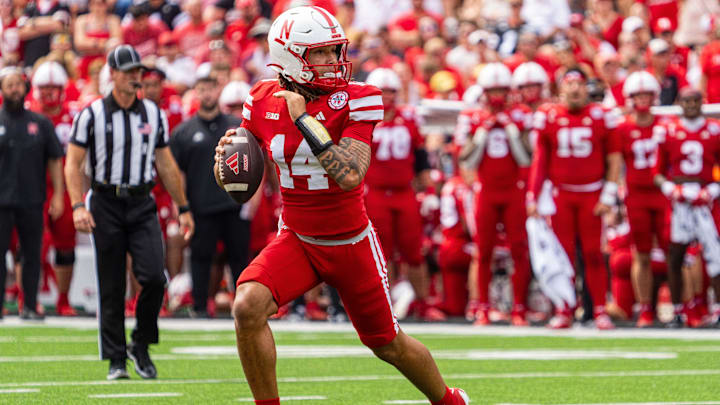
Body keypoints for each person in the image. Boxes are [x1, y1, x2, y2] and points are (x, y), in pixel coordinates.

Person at [214, 7, 468, 405]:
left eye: (335, 50)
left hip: (350, 242)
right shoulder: (261, 98)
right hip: (297, 238)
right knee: (247, 305)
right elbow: (241, 185)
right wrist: (226, 163)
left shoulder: (358, 98)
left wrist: (305, 122)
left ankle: (451, 400)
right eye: (321, 53)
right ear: (289, 57)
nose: (334, 61)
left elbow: (350, 174)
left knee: (388, 344)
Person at [65, 45, 194, 380]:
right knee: (110, 282)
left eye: (139, 71)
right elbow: (73, 163)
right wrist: (78, 205)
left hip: (141, 201)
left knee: (153, 276)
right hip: (106, 200)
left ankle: (141, 343)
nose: (137, 76)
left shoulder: (153, 113)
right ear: (113, 74)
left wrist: (183, 207)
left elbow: (165, 163)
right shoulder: (91, 113)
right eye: (130, 71)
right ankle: (116, 359)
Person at [526, 68, 622, 330]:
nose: (576, 89)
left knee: (593, 254)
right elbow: (540, 159)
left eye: (580, 84)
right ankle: (564, 308)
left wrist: (609, 193)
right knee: (562, 256)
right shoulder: (549, 115)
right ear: (561, 89)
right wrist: (533, 196)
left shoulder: (602, 116)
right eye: (570, 84)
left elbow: (614, 158)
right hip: (561, 195)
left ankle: (600, 309)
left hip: (592, 193)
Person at [363, 67, 443, 321]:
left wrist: (428, 190)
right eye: (382, 92)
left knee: (414, 251)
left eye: (391, 92)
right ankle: (382, 306)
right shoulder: (363, 119)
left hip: (404, 192)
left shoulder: (409, 117)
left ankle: (422, 304)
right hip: (375, 192)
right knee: (380, 254)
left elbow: (421, 158)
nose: (387, 97)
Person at [459, 63, 532, 326]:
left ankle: (519, 307)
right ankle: (482, 307)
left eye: (502, 90)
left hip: (513, 191)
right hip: (486, 190)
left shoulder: (521, 115)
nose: (498, 96)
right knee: (483, 250)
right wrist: (483, 132)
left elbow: (526, 157)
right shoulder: (473, 116)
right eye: (494, 90)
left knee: (518, 249)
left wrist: (511, 130)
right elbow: (466, 159)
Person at [170, 69, 247, 318]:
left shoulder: (236, 127)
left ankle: (245, 307)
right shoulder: (183, 132)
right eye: (202, 89)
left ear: (218, 91)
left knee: (240, 260)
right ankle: (200, 307)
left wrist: (250, 202)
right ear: (196, 93)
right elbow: (177, 174)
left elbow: (252, 164)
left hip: (234, 204)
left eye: (211, 88)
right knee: (200, 257)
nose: (207, 94)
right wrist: (180, 206)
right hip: (201, 206)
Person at [652, 86, 720, 328]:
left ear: (702, 102)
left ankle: (717, 308)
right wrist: (671, 189)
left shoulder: (714, 129)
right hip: (680, 198)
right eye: (687, 101)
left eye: (695, 100)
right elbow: (657, 172)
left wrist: (713, 190)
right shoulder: (668, 130)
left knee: (715, 254)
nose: (691, 105)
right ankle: (678, 309)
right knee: (676, 254)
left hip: (706, 196)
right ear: (679, 103)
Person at [0, 66, 64, 321]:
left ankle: (30, 305)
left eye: (18, 84)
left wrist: (58, 194)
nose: (15, 88)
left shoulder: (40, 123)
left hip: (32, 199)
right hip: (1, 200)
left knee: (31, 254)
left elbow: (55, 159)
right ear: (2, 89)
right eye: (9, 84)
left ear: (26, 88)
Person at [615, 71, 668, 327]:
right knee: (641, 254)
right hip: (636, 196)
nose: (643, 99)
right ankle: (645, 309)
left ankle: (685, 307)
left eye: (647, 94)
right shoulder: (623, 127)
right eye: (638, 95)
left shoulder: (665, 124)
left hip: (663, 195)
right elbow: (615, 164)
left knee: (677, 253)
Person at [28, 60, 78, 316]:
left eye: (53, 88)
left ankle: (63, 299)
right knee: (32, 245)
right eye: (44, 88)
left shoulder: (74, 113)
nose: (48, 93)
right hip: (33, 187)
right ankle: (30, 298)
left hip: (66, 187)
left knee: (65, 244)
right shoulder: (27, 112)